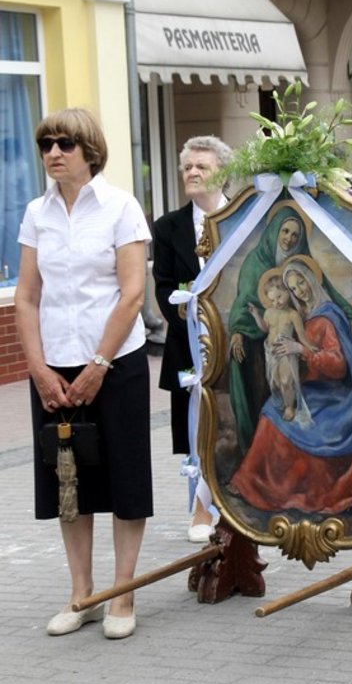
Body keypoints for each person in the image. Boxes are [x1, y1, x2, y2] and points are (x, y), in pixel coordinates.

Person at [15, 107, 153, 639]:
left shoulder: (120, 207)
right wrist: (37, 367)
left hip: (115, 361)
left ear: (89, 149)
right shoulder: (35, 213)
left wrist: (99, 363)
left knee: (122, 474)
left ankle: (121, 594)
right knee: (67, 478)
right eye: (46, 142)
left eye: (64, 143)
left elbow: (132, 293)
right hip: (54, 364)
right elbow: (27, 297)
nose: (53, 151)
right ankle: (82, 594)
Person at [230, 256, 352, 513]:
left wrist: (302, 350)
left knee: (281, 418)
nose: (299, 289)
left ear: (311, 279)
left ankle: (290, 490)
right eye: (292, 287)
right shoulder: (301, 314)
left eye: (301, 281)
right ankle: (255, 483)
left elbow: (338, 366)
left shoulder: (328, 316)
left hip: (338, 395)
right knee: (270, 410)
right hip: (312, 388)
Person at [228, 205, 352, 453]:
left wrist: (350, 317)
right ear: (274, 231)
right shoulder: (254, 263)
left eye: (295, 235)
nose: (289, 239)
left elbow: (327, 293)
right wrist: (237, 329)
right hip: (264, 351)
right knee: (271, 388)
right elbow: (243, 304)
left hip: (305, 363)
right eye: (285, 231)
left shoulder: (301, 266)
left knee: (286, 386)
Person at [152, 135, 232, 543]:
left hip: (239, 343)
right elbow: (164, 286)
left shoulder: (246, 216)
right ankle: (201, 508)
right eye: (188, 167)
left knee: (239, 423)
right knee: (197, 428)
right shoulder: (168, 227)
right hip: (190, 345)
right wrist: (190, 313)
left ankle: (240, 502)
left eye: (202, 165)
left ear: (224, 171)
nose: (193, 173)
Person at [247, 270, 316, 423]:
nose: (276, 303)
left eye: (279, 297)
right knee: (277, 381)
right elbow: (265, 329)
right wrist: (256, 315)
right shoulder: (269, 312)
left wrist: (310, 347)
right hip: (270, 352)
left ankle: (289, 407)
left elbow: (301, 336)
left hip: (286, 350)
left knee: (286, 380)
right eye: (272, 300)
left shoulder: (293, 314)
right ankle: (286, 403)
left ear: (287, 292)